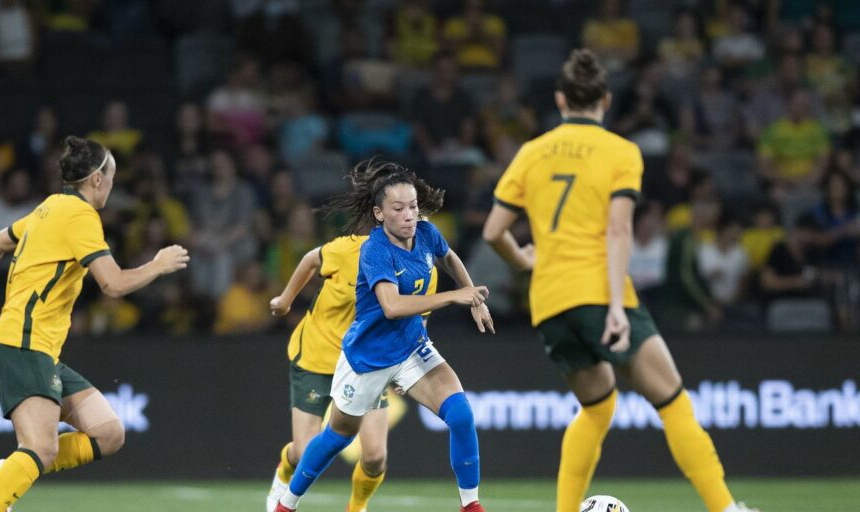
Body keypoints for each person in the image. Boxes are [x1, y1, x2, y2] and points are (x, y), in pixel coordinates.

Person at [482, 49, 757, 512]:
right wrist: (614, 306)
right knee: (672, 400)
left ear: (560, 99)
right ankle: (726, 510)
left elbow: (493, 232)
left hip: (549, 302)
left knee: (597, 407)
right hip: (598, 291)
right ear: (606, 101)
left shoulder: (532, 152)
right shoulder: (621, 151)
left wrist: (526, 260)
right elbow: (618, 229)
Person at [0, 136, 190, 512]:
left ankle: (8, 470)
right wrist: (158, 264)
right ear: (96, 179)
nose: (112, 184)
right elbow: (113, 283)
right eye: (111, 176)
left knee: (109, 433)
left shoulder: (50, 207)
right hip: (23, 343)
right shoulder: (79, 216)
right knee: (41, 448)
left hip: (37, 348)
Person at [273, 161, 496, 512]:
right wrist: (454, 296)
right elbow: (391, 306)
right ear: (379, 214)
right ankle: (287, 504)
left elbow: (448, 257)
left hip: (411, 348)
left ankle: (471, 506)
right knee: (336, 436)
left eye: (413, 206)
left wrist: (473, 298)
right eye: (398, 208)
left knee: (461, 415)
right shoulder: (374, 250)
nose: (409, 215)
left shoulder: (425, 231)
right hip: (368, 357)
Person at [265, 209, 442, 512]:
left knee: (375, 457)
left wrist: (409, 359)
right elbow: (311, 259)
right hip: (319, 355)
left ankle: (357, 508)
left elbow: (418, 318)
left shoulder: (425, 269)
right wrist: (285, 301)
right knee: (306, 450)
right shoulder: (350, 249)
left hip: (367, 362)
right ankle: (285, 469)